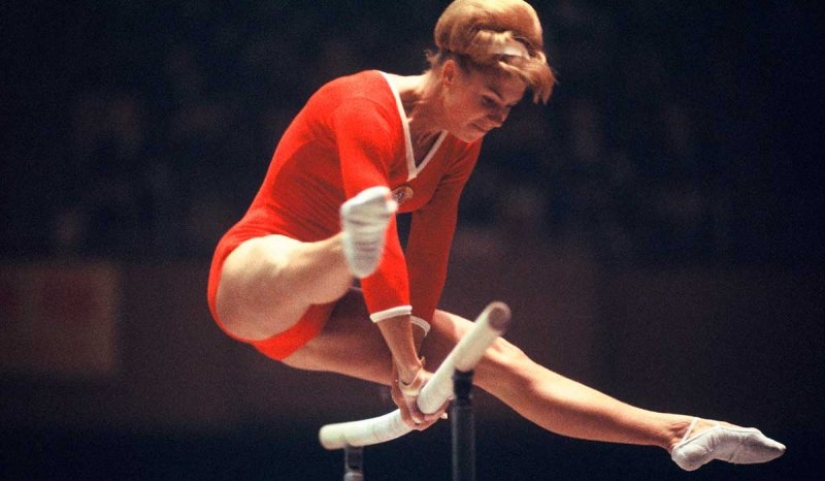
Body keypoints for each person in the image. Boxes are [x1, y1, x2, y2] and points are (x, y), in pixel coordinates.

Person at [207, 0, 785, 472]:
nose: (498, 118)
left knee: (496, 360)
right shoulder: (363, 106)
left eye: (508, 108)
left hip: (325, 322)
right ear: (449, 72)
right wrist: (406, 369)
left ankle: (678, 433)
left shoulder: (461, 140)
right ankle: (343, 247)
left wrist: (409, 347)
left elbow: (430, 249)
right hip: (255, 278)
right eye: (490, 100)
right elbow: (387, 249)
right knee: (331, 249)